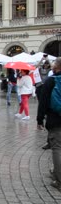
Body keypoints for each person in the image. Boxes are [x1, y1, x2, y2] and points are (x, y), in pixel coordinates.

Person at [37, 57, 61, 190]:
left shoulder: (51, 81)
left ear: (56, 67)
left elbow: (43, 101)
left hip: (56, 119)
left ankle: (59, 180)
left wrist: (39, 119)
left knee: (57, 148)